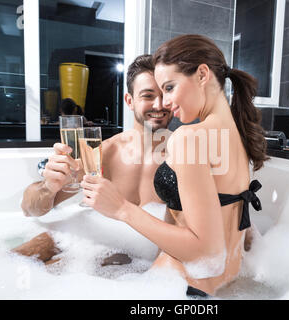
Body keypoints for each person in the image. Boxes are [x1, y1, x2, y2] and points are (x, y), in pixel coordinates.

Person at [78, 34, 268, 297]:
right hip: (226, 282)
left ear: (202, 75)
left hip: (182, 288)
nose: (164, 102)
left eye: (169, 87)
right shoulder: (237, 134)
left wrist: (122, 209)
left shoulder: (189, 138)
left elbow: (207, 253)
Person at [16, 54, 173, 263]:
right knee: (17, 258)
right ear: (130, 101)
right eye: (148, 95)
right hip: (95, 240)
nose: (159, 104)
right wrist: (49, 186)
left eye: (166, 93)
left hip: (138, 256)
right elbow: (29, 210)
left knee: (64, 268)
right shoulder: (104, 152)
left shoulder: (184, 155)